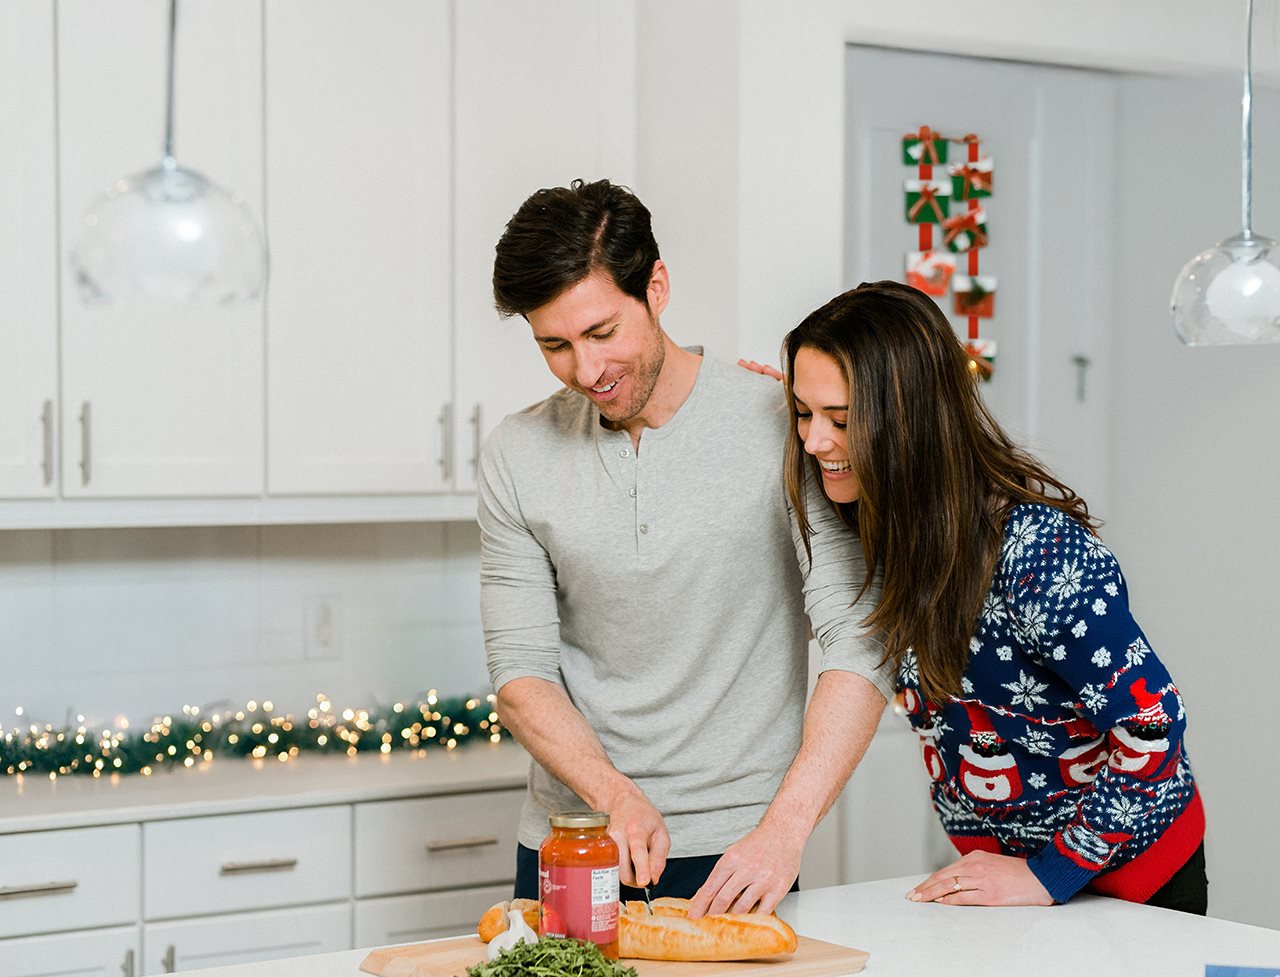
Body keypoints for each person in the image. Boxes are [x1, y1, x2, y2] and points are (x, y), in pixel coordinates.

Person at [479, 179, 892, 918]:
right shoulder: (517, 453)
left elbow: (856, 641)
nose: (586, 370)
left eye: (603, 332)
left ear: (657, 287)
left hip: (739, 849)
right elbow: (521, 673)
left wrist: (784, 831)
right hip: (574, 840)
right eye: (554, 345)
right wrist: (615, 797)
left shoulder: (787, 424)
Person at [779, 280, 1207, 912]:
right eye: (801, 412)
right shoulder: (884, 528)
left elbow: (1151, 727)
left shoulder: (1037, 551)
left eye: (840, 420)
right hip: (1009, 876)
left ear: (912, 418)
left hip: (1129, 877)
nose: (814, 442)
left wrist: (1046, 874)